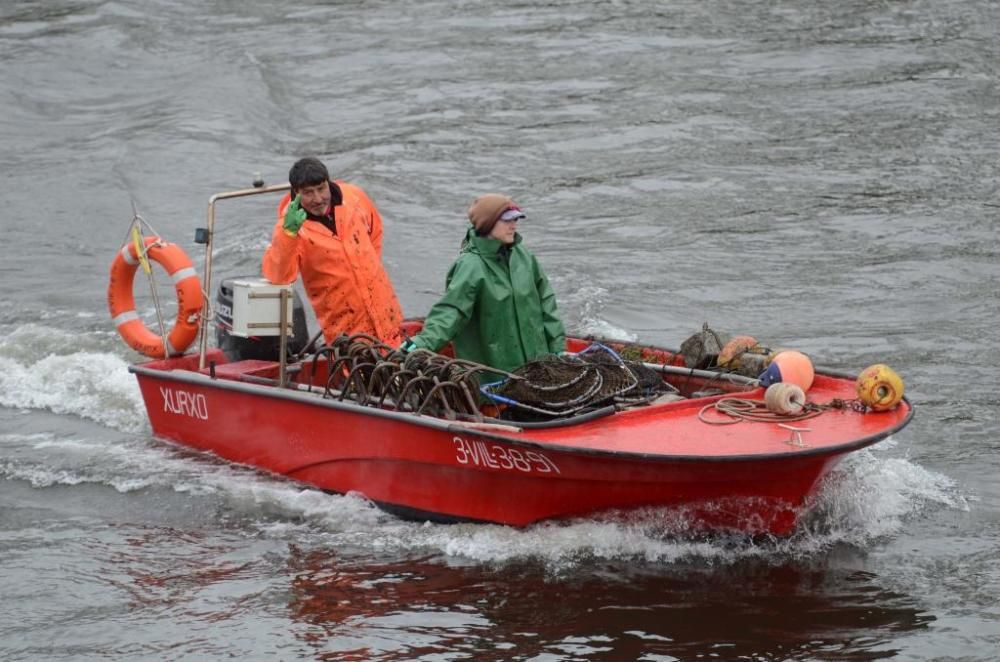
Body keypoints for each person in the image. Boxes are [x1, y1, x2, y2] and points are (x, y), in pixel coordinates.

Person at [401, 193, 566, 375]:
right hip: (495, 378)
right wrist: (422, 343)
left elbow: (547, 303)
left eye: (516, 219)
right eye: (507, 220)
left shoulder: (525, 257)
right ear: (487, 224)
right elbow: (451, 313)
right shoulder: (470, 266)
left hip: (538, 369)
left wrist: (557, 346)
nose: (514, 225)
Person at [262, 157, 403, 346]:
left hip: (387, 312)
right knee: (359, 368)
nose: (318, 199)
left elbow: (375, 231)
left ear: (328, 182)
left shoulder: (354, 198)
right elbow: (279, 277)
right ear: (296, 193)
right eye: (308, 193)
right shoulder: (289, 228)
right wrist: (288, 234)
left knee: (397, 364)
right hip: (344, 325)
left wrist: (367, 271)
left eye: (321, 189)